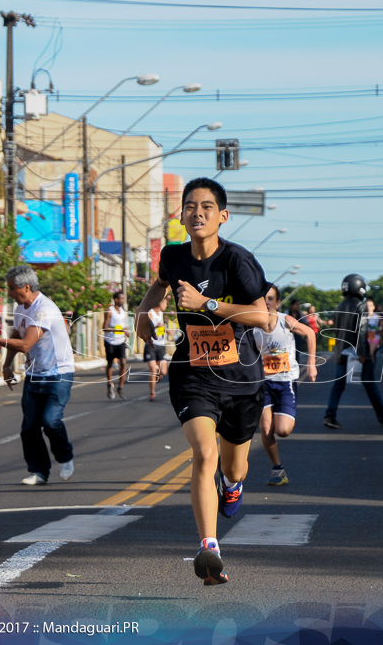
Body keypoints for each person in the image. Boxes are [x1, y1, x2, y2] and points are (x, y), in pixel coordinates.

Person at [134, 177, 270, 586]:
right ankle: (209, 547)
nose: (197, 213)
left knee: (235, 466)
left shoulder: (237, 261)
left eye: (207, 207)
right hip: (193, 374)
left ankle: (232, 485)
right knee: (203, 453)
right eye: (190, 206)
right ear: (181, 215)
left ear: (222, 216)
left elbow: (262, 317)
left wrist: (207, 304)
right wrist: (144, 317)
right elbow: (157, 289)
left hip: (242, 379)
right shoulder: (173, 258)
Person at [0, 265, 76, 486]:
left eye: (11, 288)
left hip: (59, 374)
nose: (9, 293)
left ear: (26, 287)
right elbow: (17, 335)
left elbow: (26, 344)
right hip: (35, 374)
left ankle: (65, 457)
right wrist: (6, 365)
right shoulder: (21, 309)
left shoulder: (44, 309)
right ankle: (39, 471)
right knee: (29, 427)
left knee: (51, 420)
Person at [252, 283, 318, 486]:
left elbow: (310, 333)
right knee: (265, 427)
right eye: (263, 298)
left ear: (277, 303)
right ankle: (277, 468)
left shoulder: (285, 321)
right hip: (263, 382)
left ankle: (278, 465)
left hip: (285, 381)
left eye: (270, 298)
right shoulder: (252, 326)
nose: (266, 302)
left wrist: (311, 364)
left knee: (283, 430)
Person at [323, 274, 383, 430]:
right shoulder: (361, 305)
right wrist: (363, 353)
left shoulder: (339, 306)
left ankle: (330, 415)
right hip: (357, 352)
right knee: (370, 382)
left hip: (341, 351)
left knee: (338, 385)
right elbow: (362, 329)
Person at [102, 291, 130, 400]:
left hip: (121, 341)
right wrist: (119, 330)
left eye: (123, 298)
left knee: (123, 362)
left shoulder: (123, 312)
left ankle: (120, 388)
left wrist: (126, 330)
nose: (123, 300)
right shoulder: (110, 311)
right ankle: (109, 384)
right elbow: (104, 327)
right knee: (110, 363)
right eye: (121, 299)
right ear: (116, 300)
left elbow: (124, 326)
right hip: (110, 341)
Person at [143, 295, 170, 401]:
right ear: (160, 303)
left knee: (163, 372)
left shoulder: (162, 314)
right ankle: (152, 392)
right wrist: (155, 327)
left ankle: (158, 374)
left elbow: (161, 327)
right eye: (165, 303)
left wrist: (166, 330)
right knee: (153, 369)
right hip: (151, 345)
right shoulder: (150, 313)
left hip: (161, 345)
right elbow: (146, 328)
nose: (166, 306)